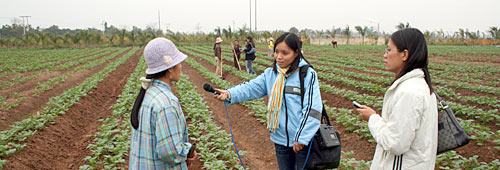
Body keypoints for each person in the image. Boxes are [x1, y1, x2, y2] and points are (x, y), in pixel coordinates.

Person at [213, 33, 323, 170]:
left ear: (296, 53)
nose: (279, 56)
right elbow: (250, 88)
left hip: (303, 142)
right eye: (276, 52)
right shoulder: (271, 74)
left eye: (285, 53)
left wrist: (301, 138)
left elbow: (312, 109)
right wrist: (229, 94)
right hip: (280, 139)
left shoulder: (307, 74)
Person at [356, 28, 438, 170]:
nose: (385, 56)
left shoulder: (409, 92)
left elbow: (395, 143)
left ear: (404, 54)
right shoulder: (418, 86)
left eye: (388, 50)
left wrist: (372, 118)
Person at [129, 37, 196, 169]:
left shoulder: (148, 93)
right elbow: (170, 152)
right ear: (170, 68)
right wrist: (187, 152)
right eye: (178, 63)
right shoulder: (166, 103)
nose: (181, 67)